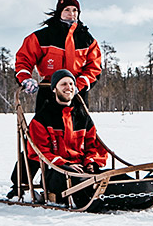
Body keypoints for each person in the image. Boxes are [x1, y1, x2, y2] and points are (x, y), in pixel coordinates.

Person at [9, 70, 111, 204]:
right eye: (63, 84)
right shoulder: (43, 118)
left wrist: (91, 163)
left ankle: (129, 193)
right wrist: (64, 164)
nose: (68, 87)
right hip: (56, 173)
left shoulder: (82, 117)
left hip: (83, 170)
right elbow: (39, 151)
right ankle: (90, 196)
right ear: (54, 89)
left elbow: (93, 146)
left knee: (111, 176)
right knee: (78, 179)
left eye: (71, 84)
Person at [15, 0, 103, 113]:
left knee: (78, 125)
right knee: (43, 125)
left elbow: (94, 68)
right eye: (67, 10)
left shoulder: (87, 40)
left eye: (75, 10)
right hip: (48, 91)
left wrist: (78, 85)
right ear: (59, 12)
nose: (71, 13)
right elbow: (24, 59)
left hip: (76, 94)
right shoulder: (43, 37)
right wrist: (25, 79)